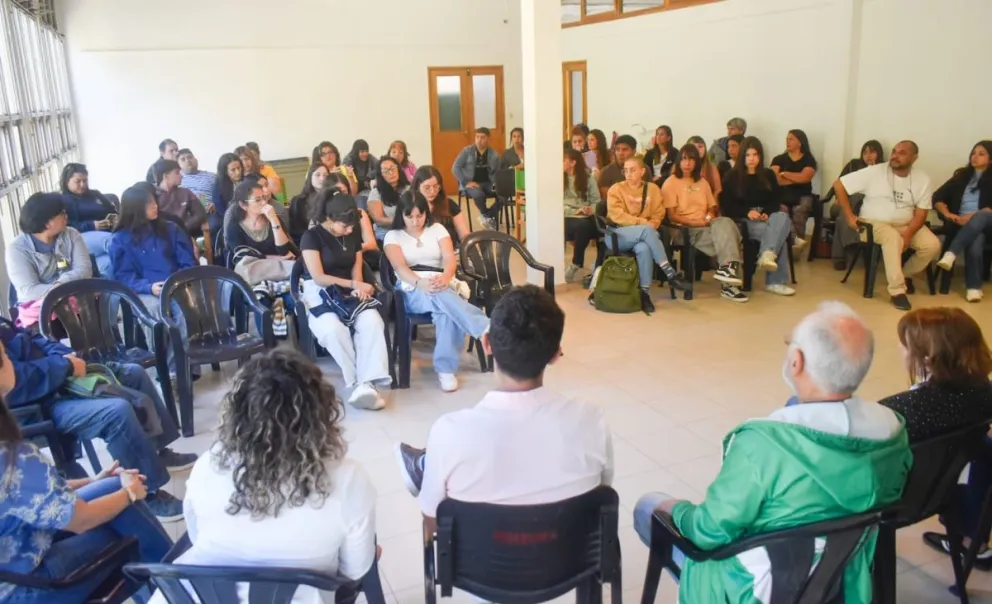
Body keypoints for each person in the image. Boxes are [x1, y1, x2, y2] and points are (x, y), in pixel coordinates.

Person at [633, 301, 912, 604]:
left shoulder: (763, 445)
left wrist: (677, 509)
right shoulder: (893, 431)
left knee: (649, 507)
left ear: (797, 362)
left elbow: (707, 532)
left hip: (757, 588)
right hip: (842, 577)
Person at [150, 350, 378, 604]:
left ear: (238, 414)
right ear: (320, 414)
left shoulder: (208, 465)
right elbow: (355, 570)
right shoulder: (349, 480)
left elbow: (195, 535)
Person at [393, 286, 614, 546]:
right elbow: (602, 493)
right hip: (568, 562)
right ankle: (423, 465)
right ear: (556, 354)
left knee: (440, 475)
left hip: (480, 570)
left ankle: (423, 466)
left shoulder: (450, 430)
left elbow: (432, 523)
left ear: (487, 344)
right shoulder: (592, 420)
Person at [0, 339, 174, 604]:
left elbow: (22, 495)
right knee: (130, 526)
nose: (10, 359)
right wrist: (130, 494)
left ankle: (175, 586)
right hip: (23, 588)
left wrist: (93, 482)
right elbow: (80, 520)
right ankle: (185, 586)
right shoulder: (13, 456)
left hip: (19, 554)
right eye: (5, 355)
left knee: (110, 488)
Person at [1, 318, 195, 522]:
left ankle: (156, 452)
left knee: (134, 373)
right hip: (37, 405)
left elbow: (36, 338)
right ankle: (148, 492)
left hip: (61, 379)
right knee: (117, 412)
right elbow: (16, 381)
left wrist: (63, 358)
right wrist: (64, 365)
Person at [878, 308, 992, 568]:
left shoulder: (898, 410)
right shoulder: (985, 390)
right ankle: (972, 541)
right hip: (945, 487)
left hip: (900, 500)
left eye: (905, 344)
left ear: (928, 358)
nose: (899, 348)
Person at [383, 193, 490, 392]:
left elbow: (450, 258)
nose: (415, 221)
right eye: (410, 216)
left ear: (426, 213)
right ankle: (483, 327)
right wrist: (420, 282)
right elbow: (399, 267)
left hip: (441, 280)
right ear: (401, 215)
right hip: (411, 287)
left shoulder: (438, 229)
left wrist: (446, 277)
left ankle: (445, 370)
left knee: (446, 311)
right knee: (438, 295)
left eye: (420, 215)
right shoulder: (393, 235)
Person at [300, 192, 391, 411]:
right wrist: (354, 286)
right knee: (333, 330)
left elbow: (356, 267)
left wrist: (357, 285)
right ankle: (360, 383)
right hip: (319, 291)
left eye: (353, 226)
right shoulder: (311, 237)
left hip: (348, 289)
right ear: (329, 219)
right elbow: (319, 277)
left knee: (372, 322)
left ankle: (365, 384)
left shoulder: (351, 232)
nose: (350, 231)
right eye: (345, 226)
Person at [833, 140, 939, 311]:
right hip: (873, 223)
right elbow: (839, 185)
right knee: (892, 238)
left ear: (914, 158)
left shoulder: (923, 179)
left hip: (906, 223)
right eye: (894, 151)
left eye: (902, 153)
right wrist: (849, 215)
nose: (895, 156)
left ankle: (903, 275)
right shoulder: (875, 172)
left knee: (932, 245)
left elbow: (921, 213)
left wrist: (908, 234)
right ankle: (897, 291)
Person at [110, 184, 197, 356]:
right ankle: (169, 369)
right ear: (135, 208)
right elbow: (124, 276)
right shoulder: (120, 239)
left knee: (182, 312)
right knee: (158, 312)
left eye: (154, 202)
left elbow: (188, 262)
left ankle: (182, 368)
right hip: (145, 290)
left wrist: (177, 282)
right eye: (149, 204)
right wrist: (148, 287)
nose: (155, 206)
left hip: (176, 284)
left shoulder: (171, 229)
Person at [662, 145, 747, 302]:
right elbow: (672, 217)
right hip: (684, 230)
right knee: (731, 239)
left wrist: (708, 217)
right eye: (684, 159)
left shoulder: (703, 183)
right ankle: (729, 285)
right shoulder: (670, 182)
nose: (687, 163)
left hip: (707, 226)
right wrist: (695, 222)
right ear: (679, 161)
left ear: (697, 162)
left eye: (692, 159)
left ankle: (727, 272)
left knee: (725, 222)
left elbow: (712, 208)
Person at [605, 157, 690, 312]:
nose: (628, 173)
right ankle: (669, 273)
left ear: (642, 171)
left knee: (644, 248)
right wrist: (644, 223)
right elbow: (617, 216)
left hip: (644, 235)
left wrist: (654, 223)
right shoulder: (615, 189)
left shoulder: (652, 189)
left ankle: (644, 293)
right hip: (618, 234)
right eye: (626, 170)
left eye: (633, 170)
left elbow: (659, 213)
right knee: (647, 230)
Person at [720, 137, 794, 296]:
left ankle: (767, 254)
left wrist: (767, 212)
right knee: (778, 233)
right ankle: (774, 280)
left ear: (760, 156)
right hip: (746, 220)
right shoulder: (732, 176)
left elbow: (776, 200)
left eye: (755, 154)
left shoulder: (768, 174)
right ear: (742, 156)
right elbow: (727, 205)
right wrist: (747, 212)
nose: (752, 159)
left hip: (768, 217)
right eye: (748, 155)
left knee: (782, 217)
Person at [6, 193, 92, 330]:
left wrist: (60, 285)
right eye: (62, 213)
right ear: (47, 223)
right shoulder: (17, 249)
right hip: (38, 311)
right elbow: (30, 291)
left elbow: (84, 270)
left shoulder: (71, 234)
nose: (66, 216)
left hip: (74, 302)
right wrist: (63, 287)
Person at [226, 179, 298, 338]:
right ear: (243, 205)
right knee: (260, 299)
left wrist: (273, 220)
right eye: (257, 200)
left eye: (264, 198)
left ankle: (302, 346)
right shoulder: (234, 228)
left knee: (294, 297)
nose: (264, 203)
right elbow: (243, 256)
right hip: (254, 279)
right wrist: (276, 259)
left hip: (280, 277)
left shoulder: (273, 220)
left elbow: (284, 249)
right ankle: (269, 347)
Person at [934, 141, 992, 302]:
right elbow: (937, 197)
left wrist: (974, 216)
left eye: (981, 154)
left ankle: (951, 253)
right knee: (976, 240)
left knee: (983, 215)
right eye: (973, 153)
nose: (975, 157)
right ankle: (974, 288)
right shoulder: (961, 176)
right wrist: (948, 213)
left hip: (989, 224)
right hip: (964, 225)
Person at [826, 140, 885, 270]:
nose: (868, 155)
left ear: (879, 154)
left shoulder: (883, 170)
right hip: (844, 202)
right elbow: (838, 184)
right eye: (865, 152)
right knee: (847, 205)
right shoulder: (853, 165)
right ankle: (852, 242)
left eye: (872, 152)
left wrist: (874, 170)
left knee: (843, 217)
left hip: (863, 208)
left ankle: (839, 258)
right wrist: (838, 198)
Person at [58, 163, 116, 276]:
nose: (82, 184)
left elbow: (112, 210)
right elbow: (66, 227)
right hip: (80, 236)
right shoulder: (63, 202)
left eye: (85, 180)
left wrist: (116, 218)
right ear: (66, 182)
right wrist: (92, 225)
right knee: (112, 241)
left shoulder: (95, 194)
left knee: (108, 263)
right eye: (78, 181)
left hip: (107, 232)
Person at [771, 129, 818, 247]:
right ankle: (795, 242)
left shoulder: (809, 159)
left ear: (800, 142)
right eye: (787, 139)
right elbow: (774, 179)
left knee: (800, 210)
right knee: (782, 212)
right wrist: (796, 178)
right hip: (782, 195)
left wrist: (785, 174)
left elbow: (805, 178)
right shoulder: (778, 159)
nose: (787, 141)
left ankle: (795, 247)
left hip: (803, 194)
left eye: (791, 139)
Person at [562, 148, 601, 284]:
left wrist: (590, 209)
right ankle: (574, 263)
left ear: (573, 162)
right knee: (580, 226)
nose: (561, 163)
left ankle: (585, 265)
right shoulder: (559, 177)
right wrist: (574, 212)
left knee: (591, 227)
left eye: (563, 160)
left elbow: (596, 200)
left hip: (585, 215)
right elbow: (555, 204)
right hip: (567, 215)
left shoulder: (587, 177)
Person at [452, 127, 501, 230]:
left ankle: (486, 216)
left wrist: (497, 183)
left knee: (503, 194)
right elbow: (455, 168)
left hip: (489, 183)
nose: (479, 140)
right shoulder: (467, 151)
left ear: (488, 139)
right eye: (477, 137)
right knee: (479, 195)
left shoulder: (494, 154)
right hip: (472, 184)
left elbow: (498, 171)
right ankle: (487, 216)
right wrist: (466, 182)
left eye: (482, 137)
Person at [407, 165, 470, 246]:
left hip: (450, 249)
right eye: (427, 187)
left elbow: (464, 233)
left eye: (436, 186)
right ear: (417, 187)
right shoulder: (408, 205)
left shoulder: (449, 203)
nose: (432, 191)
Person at [153, 159, 207, 237]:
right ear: (166, 176)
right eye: (177, 173)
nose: (181, 176)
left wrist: (183, 227)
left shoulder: (185, 192)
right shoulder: (153, 195)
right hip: (164, 235)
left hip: (187, 232)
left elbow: (200, 214)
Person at [177, 149, 221, 239]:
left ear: (195, 159)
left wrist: (216, 204)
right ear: (178, 164)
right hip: (187, 215)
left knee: (216, 225)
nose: (188, 161)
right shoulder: (177, 179)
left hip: (209, 212)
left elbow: (221, 195)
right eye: (183, 159)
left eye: (190, 157)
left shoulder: (211, 176)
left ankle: (215, 252)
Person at [367, 156, 410, 241]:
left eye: (393, 169)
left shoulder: (409, 189)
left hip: (410, 229)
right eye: (386, 171)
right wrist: (405, 220)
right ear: (380, 175)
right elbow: (379, 220)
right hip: (387, 233)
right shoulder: (376, 193)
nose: (391, 173)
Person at [288, 162, 328, 244]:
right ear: (310, 177)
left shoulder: (333, 198)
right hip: (308, 241)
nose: (322, 179)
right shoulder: (298, 201)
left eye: (325, 175)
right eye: (317, 175)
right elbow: (295, 230)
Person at [598, 134, 636, 200]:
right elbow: (606, 199)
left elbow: (649, 194)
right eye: (617, 149)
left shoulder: (643, 169)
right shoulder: (606, 172)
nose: (620, 153)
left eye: (625, 149)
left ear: (634, 151)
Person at [343, 139, 379, 205]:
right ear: (356, 152)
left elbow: (379, 166)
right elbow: (346, 178)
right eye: (362, 151)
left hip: (367, 188)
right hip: (352, 190)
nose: (365, 154)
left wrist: (370, 177)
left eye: (366, 151)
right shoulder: (348, 161)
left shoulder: (370, 158)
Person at [211, 152, 243, 220]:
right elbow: (221, 210)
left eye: (238, 168)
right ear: (225, 171)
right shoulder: (218, 186)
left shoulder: (245, 180)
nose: (237, 172)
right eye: (233, 170)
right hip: (229, 217)